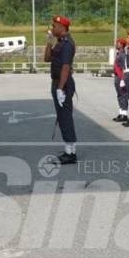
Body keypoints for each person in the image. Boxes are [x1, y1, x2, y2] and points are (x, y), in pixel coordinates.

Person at [44, 15, 77, 165]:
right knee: (62, 117)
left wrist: (60, 88)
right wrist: (48, 42)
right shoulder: (59, 43)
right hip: (57, 82)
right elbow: (47, 59)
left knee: (65, 117)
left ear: (62, 27)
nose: (52, 28)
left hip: (62, 83)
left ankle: (71, 153)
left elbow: (65, 67)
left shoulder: (67, 44)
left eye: (54, 26)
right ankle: (68, 150)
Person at [112, 38, 129, 122]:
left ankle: (124, 114)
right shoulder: (119, 54)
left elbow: (123, 68)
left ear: (122, 45)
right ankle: (121, 112)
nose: (116, 45)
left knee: (123, 95)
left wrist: (122, 79)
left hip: (120, 77)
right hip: (117, 77)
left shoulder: (122, 55)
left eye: (118, 43)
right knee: (119, 95)